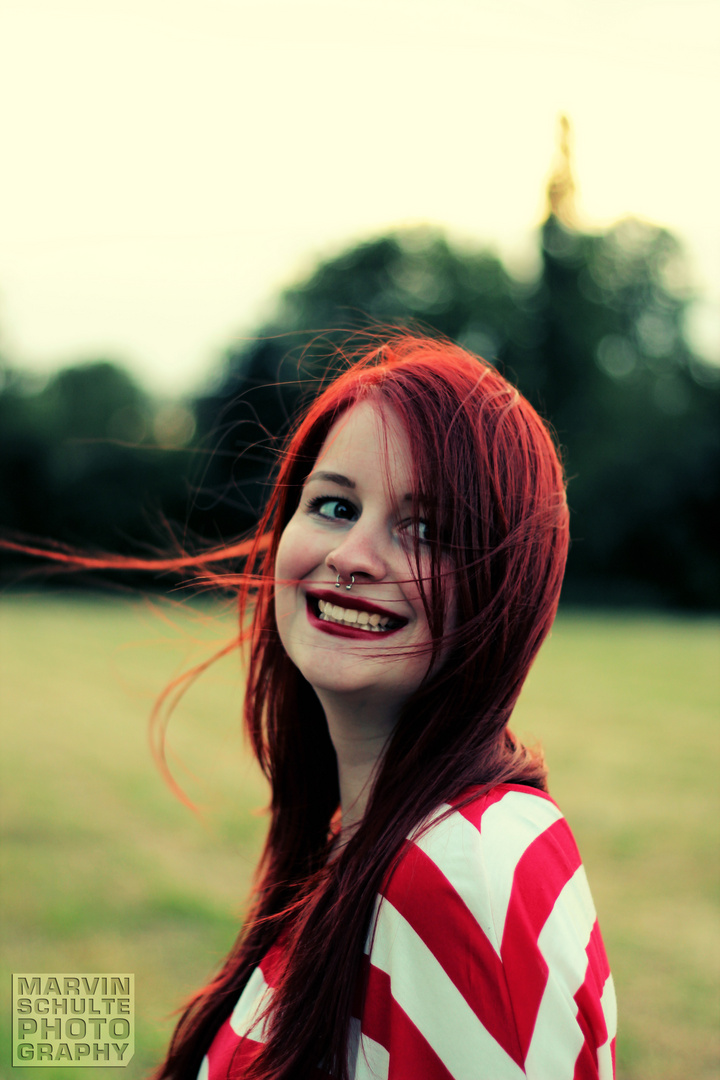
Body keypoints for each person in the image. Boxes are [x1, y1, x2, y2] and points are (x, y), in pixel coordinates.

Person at [153, 333, 617, 1080]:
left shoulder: (463, 874)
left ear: (508, 584)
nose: (353, 555)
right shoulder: (375, 838)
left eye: (426, 530)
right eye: (335, 505)